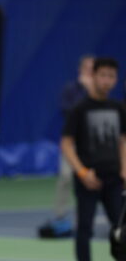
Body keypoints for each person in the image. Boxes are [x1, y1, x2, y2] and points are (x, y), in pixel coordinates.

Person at [61, 57, 126, 261]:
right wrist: (81, 171)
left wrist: (124, 168)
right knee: (85, 228)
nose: (107, 80)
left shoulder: (118, 108)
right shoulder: (79, 109)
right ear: (94, 76)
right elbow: (66, 143)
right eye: (103, 75)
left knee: (120, 228)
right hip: (88, 179)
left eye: (111, 76)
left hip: (114, 179)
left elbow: (123, 140)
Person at [52, 55, 95, 224]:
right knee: (66, 176)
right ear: (80, 70)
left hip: (91, 144)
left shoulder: (97, 92)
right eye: (87, 68)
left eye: (92, 69)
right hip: (71, 143)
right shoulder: (71, 89)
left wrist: (90, 90)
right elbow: (69, 112)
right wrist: (85, 91)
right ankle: (60, 214)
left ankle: (83, 216)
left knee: (87, 180)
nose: (89, 72)